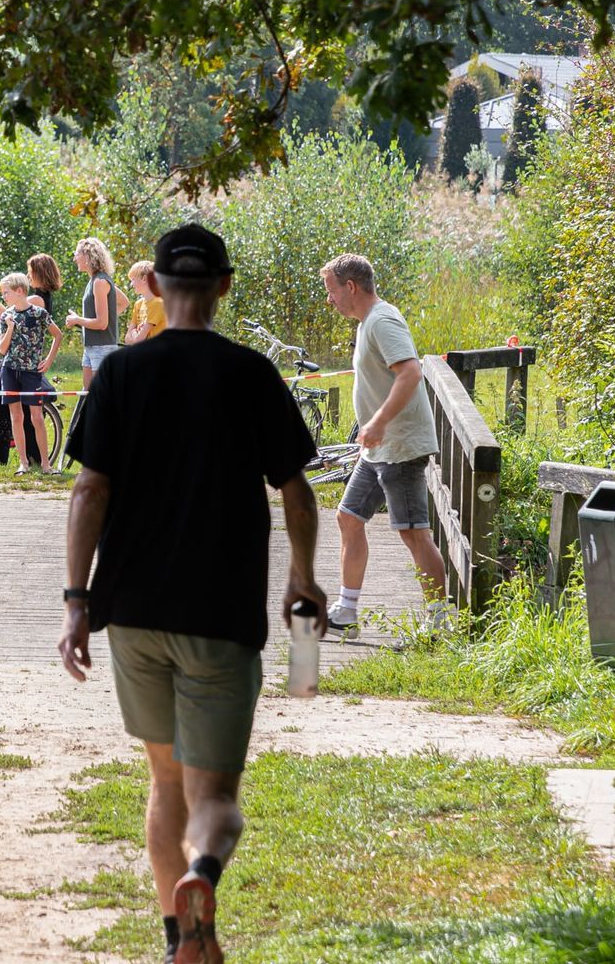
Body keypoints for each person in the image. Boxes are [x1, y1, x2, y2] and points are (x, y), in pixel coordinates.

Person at [59, 223, 324, 964]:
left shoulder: (120, 375)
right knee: (216, 801)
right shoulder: (250, 373)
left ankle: (181, 940)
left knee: (162, 778)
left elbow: (89, 492)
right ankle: (203, 874)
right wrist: (303, 577)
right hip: (221, 613)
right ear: (223, 287)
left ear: (160, 290)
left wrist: (77, 600)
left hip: (133, 614)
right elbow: (297, 494)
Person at [320, 253, 447, 637]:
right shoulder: (366, 323)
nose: (329, 300)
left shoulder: (382, 321)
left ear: (351, 287)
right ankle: (346, 611)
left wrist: (377, 422)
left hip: (400, 447)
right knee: (348, 517)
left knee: (413, 533)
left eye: (331, 291)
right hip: (377, 449)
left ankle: (439, 622)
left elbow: (410, 372)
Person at [0, 272, 63, 475]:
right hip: (10, 370)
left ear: (20, 291)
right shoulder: (7, 316)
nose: (4, 297)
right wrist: (9, 328)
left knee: (37, 417)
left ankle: (45, 464)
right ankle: (23, 463)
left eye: (6, 293)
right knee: (16, 416)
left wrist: (49, 360)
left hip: (32, 371)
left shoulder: (39, 313)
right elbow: (1, 349)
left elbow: (57, 335)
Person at [66, 237, 129, 388]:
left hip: (102, 348)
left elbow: (102, 323)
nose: (75, 258)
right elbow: (124, 302)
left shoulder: (100, 282)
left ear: (87, 256)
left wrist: (77, 320)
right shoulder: (95, 280)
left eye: (77, 254)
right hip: (91, 347)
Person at [125, 258, 168, 344]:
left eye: (133, 279)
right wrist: (136, 333)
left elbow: (139, 340)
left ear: (144, 279)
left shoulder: (158, 303)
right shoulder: (138, 304)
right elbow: (127, 338)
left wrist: (134, 332)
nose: (131, 284)